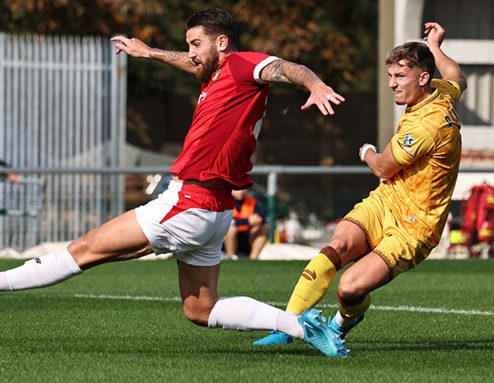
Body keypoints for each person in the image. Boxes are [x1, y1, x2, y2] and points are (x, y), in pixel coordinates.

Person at [0, 8, 348, 357]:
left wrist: (315, 84)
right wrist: (149, 52)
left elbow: (287, 67)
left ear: (222, 42)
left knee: (81, 252)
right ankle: (300, 325)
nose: (192, 52)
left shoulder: (242, 65)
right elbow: (194, 62)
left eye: (197, 44)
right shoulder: (216, 75)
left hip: (189, 202)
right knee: (201, 310)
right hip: (214, 212)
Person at [254, 22, 467, 350]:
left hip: (414, 227)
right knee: (336, 246)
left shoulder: (427, 127)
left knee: (349, 289)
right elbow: (458, 77)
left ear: (423, 78)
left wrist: (367, 151)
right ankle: (287, 327)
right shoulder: (443, 91)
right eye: (390, 76)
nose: (392, 85)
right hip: (386, 201)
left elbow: (382, 166)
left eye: (400, 77)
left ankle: (338, 325)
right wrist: (436, 46)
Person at [223, 189, 269, 260]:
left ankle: (253, 259)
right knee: (231, 228)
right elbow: (225, 221)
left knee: (265, 227)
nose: (241, 191)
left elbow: (264, 217)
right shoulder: (224, 201)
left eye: (243, 188)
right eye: (237, 189)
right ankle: (231, 257)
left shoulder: (251, 201)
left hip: (248, 237)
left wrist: (258, 219)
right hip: (228, 240)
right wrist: (247, 221)